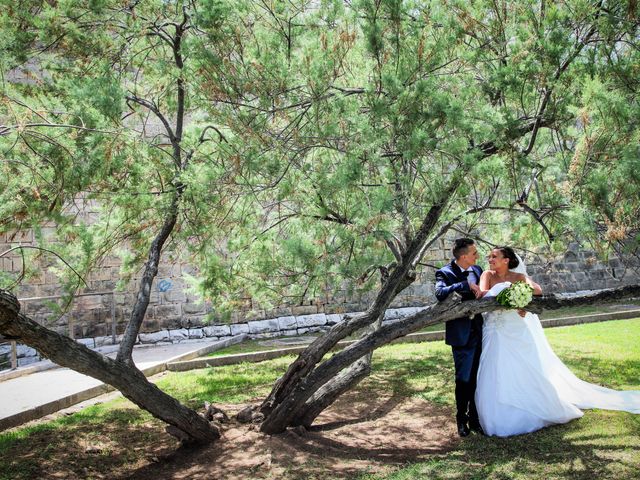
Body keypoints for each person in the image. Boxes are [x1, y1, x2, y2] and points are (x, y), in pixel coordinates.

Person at [475, 246, 640, 437]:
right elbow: (483, 294)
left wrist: (519, 300)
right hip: (495, 329)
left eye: (494, 256)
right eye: (489, 256)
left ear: (507, 260)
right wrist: (503, 297)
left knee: (525, 366)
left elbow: (536, 290)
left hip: (516, 328)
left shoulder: (519, 277)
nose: (490, 259)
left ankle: (533, 407)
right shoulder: (487, 274)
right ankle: (499, 416)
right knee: (495, 367)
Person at [435, 238, 484, 437]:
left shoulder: (479, 270)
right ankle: (461, 419)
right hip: (461, 336)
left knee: (477, 378)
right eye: (474, 253)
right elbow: (439, 293)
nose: (477, 256)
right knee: (463, 379)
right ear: (463, 256)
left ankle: (475, 419)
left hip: (481, 332)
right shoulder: (444, 273)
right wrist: (464, 284)